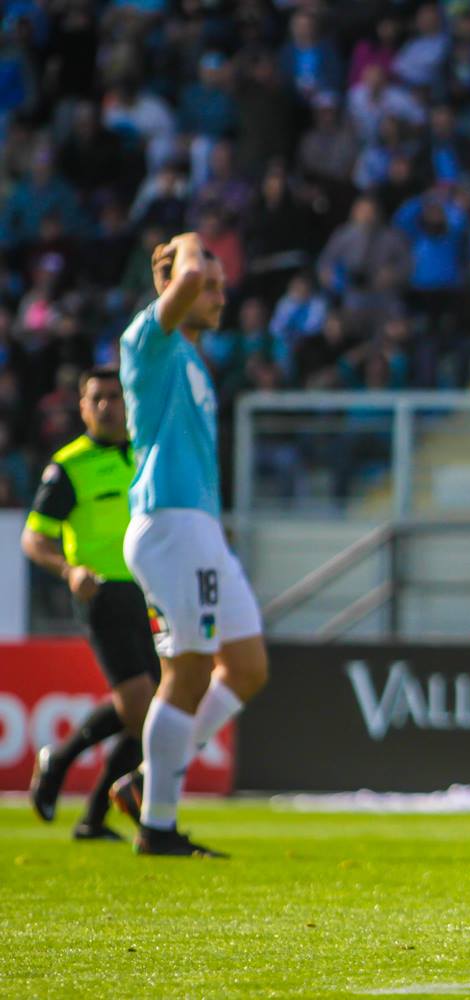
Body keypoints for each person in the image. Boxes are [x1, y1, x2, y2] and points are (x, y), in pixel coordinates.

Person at [112, 232, 270, 857]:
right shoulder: (148, 342)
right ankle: (158, 824)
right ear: (173, 280)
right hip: (169, 526)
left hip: (200, 529)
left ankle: (148, 780)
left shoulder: (196, 363)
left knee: (247, 666)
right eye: (210, 285)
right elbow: (184, 278)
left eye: (222, 287)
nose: (219, 295)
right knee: (188, 671)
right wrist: (190, 244)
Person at [22, 367, 158, 841]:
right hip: (102, 594)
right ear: (82, 407)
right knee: (142, 706)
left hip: (150, 592)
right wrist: (69, 571)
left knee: (150, 710)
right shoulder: (69, 466)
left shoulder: (145, 453)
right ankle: (69, 773)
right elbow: (34, 538)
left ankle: (89, 811)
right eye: (96, 398)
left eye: (114, 397)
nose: (106, 406)